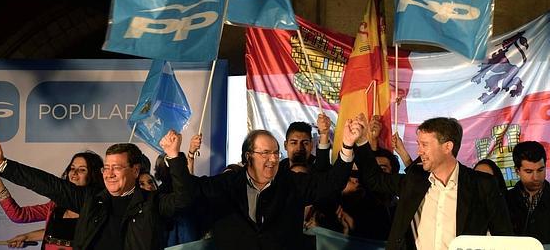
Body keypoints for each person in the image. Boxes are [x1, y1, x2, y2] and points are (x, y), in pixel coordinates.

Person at [0, 129, 193, 250]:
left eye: (116, 168)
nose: (109, 174)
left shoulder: (153, 202)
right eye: (106, 168)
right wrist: (4, 165)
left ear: (135, 170)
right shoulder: (92, 200)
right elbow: (48, 184)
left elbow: (184, 199)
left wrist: (174, 157)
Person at [351, 114, 513, 250]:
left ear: (447, 147)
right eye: (418, 144)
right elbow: (375, 180)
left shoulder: (482, 184)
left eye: (425, 144)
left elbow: (504, 237)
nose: (419, 150)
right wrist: (362, 142)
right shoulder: (415, 179)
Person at [195, 126, 355, 250]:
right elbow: (189, 192)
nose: (272, 159)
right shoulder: (227, 183)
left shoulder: (291, 183)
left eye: (276, 153)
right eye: (265, 153)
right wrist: (176, 156)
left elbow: (330, 185)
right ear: (248, 156)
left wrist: (347, 146)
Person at [0, 151, 104, 249]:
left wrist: (3, 164)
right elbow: (18, 215)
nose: (74, 173)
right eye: (72, 168)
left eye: (82, 170)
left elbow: (46, 183)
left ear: (93, 175)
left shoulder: (96, 206)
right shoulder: (55, 205)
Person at [506, 140, 550, 243]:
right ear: (517, 171)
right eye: (529, 172)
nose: (536, 177)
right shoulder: (504, 200)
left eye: (540, 170)